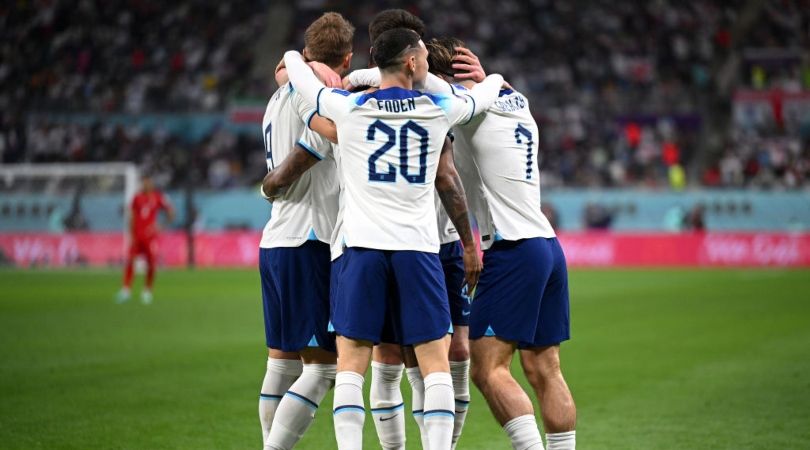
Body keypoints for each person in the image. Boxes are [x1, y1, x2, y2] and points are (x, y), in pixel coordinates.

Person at [283, 27, 503, 450]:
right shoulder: (438, 109)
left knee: (351, 365)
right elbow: (483, 97)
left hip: (361, 249)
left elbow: (305, 85)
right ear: (411, 64)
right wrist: (495, 79)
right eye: (420, 56)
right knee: (434, 365)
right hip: (417, 251)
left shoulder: (349, 109)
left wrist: (297, 56)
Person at [428, 37, 578, 450]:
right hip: (547, 245)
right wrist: (489, 74)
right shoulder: (516, 99)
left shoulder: (461, 105)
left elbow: (422, 83)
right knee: (545, 368)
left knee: (487, 368)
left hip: (511, 250)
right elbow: (494, 85)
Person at [256, 12, 352, 450]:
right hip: (308, 239)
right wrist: (276, 181)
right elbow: (315, 145)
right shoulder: (312, 95)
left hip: (277, 240)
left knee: (282, 364)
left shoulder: (278, 95)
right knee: (322, 369)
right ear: (346, 58)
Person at [116, 174, 174, 304]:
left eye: (148, 182)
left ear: (152, 184)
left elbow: (171, 212)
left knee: (151, 264)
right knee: (130, 261)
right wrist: (131, 234)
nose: (146, 185)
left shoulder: (158, 197)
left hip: (150, 237)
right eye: (144, 182)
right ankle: (126, 290)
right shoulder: (137, 198)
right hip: (137, 236)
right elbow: (132, 216)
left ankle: (147, 291)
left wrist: (161, 226)